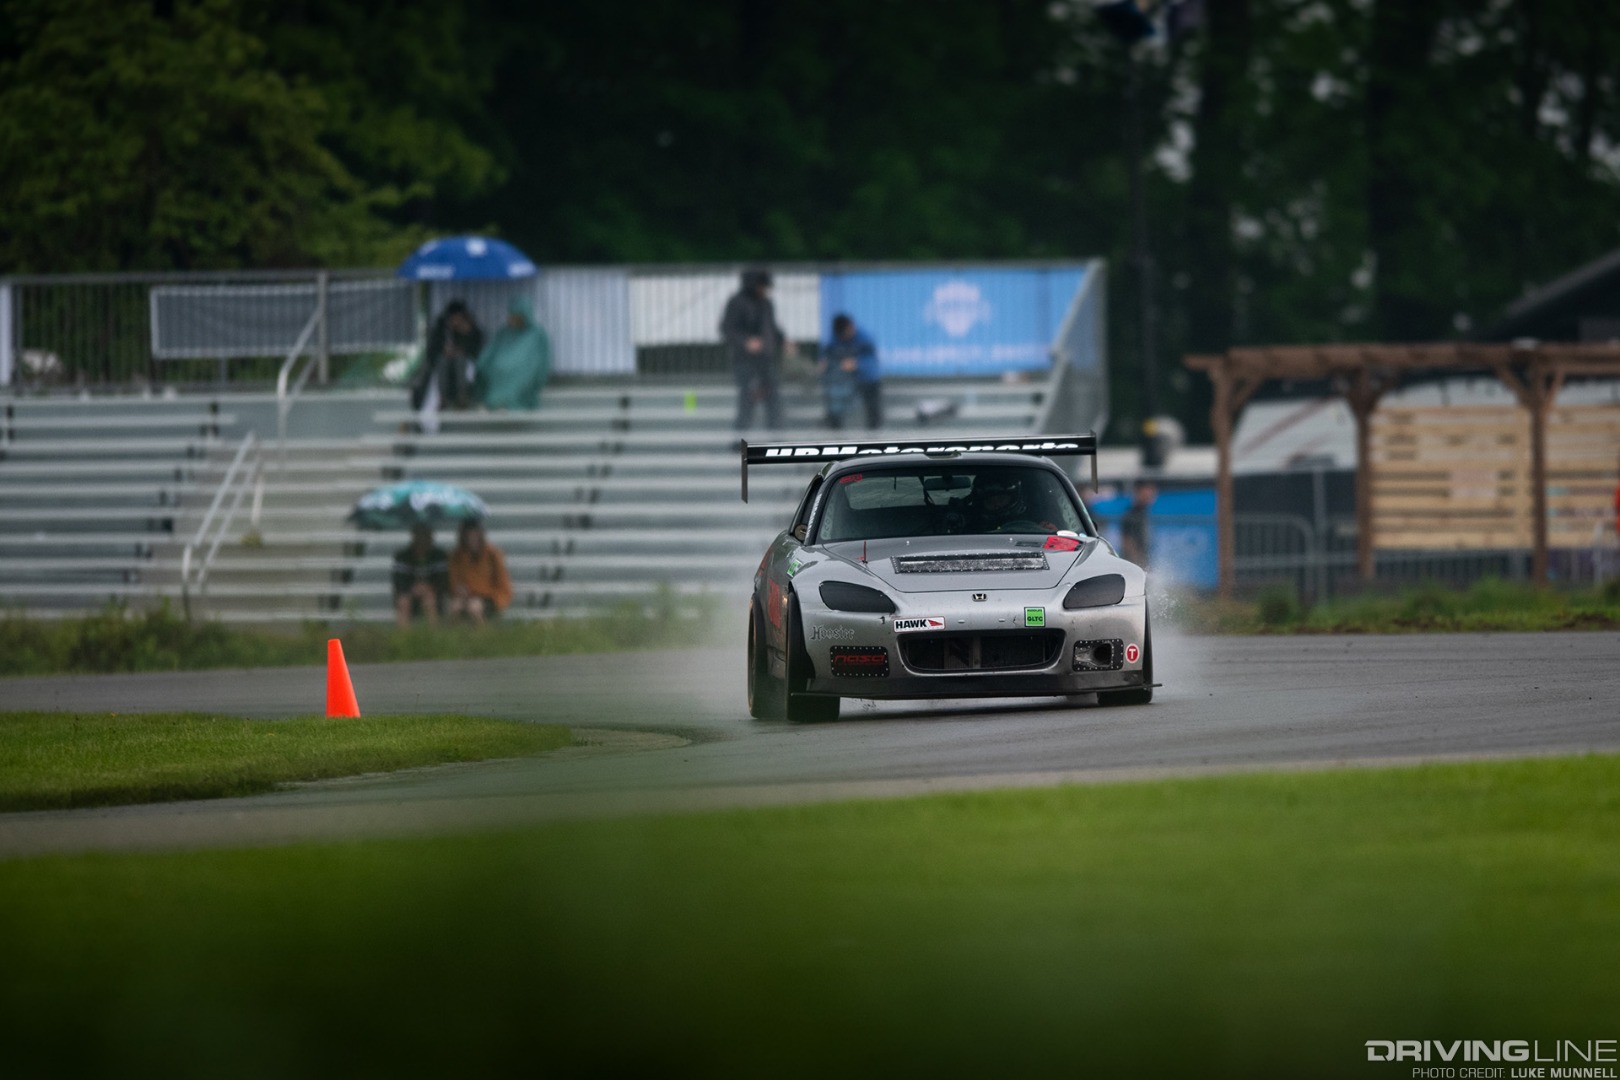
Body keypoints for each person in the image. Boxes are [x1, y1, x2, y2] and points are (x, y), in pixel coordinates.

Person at [719, 268, 788, 431]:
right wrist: (745, 342)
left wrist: (783, 340)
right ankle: (739, 440)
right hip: (744, 361)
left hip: (765, 359)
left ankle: (775, 439)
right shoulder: (737, 302)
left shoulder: (766, 303)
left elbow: (771, 327)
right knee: (748, 398)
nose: (764, 290)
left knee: (773, 398)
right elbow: (727, 329)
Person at [410, 300, 485, 433]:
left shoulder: (470, 329)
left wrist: (465, 337)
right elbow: (432, 352)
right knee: (442, 362)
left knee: (461, 361)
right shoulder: (441, 329)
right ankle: (442, 398)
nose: (455, 321)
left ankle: (462, 396)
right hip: (443, 368)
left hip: (464, 367)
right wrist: (445, 350)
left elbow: (477, 350)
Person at [475, 296, 552, 410]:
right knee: (495, 369)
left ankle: (507, 402)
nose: (512, 319)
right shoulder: (504, 332)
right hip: (499, 366)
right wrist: (483, 360)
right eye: (512, 316)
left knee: (514, 374)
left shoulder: (537, 334)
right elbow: (492, 349)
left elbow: (542, 357)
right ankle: (495, 401)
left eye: (516, 316)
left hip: (525, 369)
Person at [819, 313, 882, 430]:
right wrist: (824, 361)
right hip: (845, 380)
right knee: (834, 399)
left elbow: (873, 360)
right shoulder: (836, 338)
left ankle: (874, 430)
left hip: (866, 378)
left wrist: (857, 364)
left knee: (872, 406)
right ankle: (834, 428)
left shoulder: (864, 338)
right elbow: (826, 353)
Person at [448, 520, 512, 624]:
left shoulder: (492, 555)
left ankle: (482, 636)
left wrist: (498, 601)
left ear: (480, 534)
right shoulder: (457, 556)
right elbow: (453, 581)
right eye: (468, 535)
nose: (472, 538)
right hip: (466, 596)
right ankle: (452, 637)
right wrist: (458, 589)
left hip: (490, 596)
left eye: (475, 534)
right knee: (454, 607)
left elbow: (503, 583)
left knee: (474, 607)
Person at [392, 524, 450, 627]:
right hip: (409, 593)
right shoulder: (403, 556)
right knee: (403, 602)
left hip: (433, 594)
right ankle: (403, 638)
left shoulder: (439, 556)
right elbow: (399, 581)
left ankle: (434, 635)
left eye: (425, 536)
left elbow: (443, 580)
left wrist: (429, 588)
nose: (422, 540)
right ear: (414, 538)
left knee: (429, 600)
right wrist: (412, 589)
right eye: (420, 536)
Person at [1119, 479, 1157, 567]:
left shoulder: (1145, 513)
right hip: (1133, 562)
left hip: (1142, 560)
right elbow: (1126, 540)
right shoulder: (1131, 514)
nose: (1149, 496)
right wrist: (1137, 560)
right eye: (1146, 493)